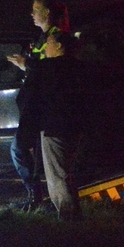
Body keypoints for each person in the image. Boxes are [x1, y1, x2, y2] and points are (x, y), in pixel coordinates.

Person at [18, 29, 89, 221]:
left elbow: (30, 99)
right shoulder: (79, 67)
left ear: (58, 45)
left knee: (57, 173)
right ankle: (74, 213)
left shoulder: (47, 68)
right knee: (67, 170)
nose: (45, 48)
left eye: (48, 43)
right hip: (76, 127)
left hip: (53, 127)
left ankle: (68, 216)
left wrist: (27, 131)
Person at [6, 0, 69, 210]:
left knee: (21, 149)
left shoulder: (56, 38)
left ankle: (43, 199)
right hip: (35, 105)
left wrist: (28, 64)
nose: (32, 14)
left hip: (43, 106)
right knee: (22, 150)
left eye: (36, 9)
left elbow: (52, 70)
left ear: (47, 13)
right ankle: (37, 196)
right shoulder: (41, 38)